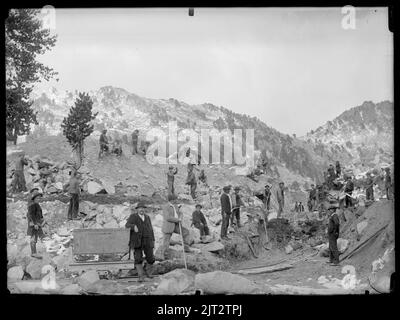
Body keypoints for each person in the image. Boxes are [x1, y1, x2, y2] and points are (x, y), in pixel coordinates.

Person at [125, 202, 155, 282]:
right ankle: (141, 276)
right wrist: (133, 226)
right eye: (140, 208)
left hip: (147, 240)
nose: (141, 209)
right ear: (137, 209)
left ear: (144, 209)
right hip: (137, 241)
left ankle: (149, 273)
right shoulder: (133, 217)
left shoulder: (147, 217)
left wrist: (153, 240)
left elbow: (151, 229)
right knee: (138, 258)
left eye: (143, 208)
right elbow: (127, 225)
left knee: (150, 258)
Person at [27, 191, 46, 259]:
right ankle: (33, 253)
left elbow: (40, 214)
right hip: (33, 224)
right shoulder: (32, 205)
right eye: (37, 198)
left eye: (39, 198)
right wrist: (35, 223)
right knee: (33, 238)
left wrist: (42, 220)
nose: (39, 199)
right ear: (34, 198)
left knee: (37, 237)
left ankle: (35, 251)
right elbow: (31, 215)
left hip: (37, 223)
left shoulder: (37, 205)